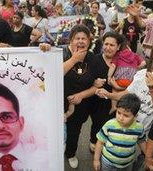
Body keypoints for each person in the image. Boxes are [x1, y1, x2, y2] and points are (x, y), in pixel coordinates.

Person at [63, 24, 102, 168]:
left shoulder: (93, 59)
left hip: (81, 104)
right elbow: (53, 74)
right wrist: (73, 59)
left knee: (74, 132)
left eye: (84, 38)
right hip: (59, 102)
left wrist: (81, 95)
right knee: (56, 131)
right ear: (71, 40)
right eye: (77, 38)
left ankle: (71, 154)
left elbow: (97, 85)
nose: (80, 41)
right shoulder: (61, 53)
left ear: (89, 41)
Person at [93, 93, 146, 171]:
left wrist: (148, 156)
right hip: (108, 162)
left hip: (127, 163)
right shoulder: (109, 125)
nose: (120, 118)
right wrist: (96, 160)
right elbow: (100, 142)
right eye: (118, 112)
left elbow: (142, 142)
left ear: (135, 116)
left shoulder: (139, 128)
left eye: (126, 115)